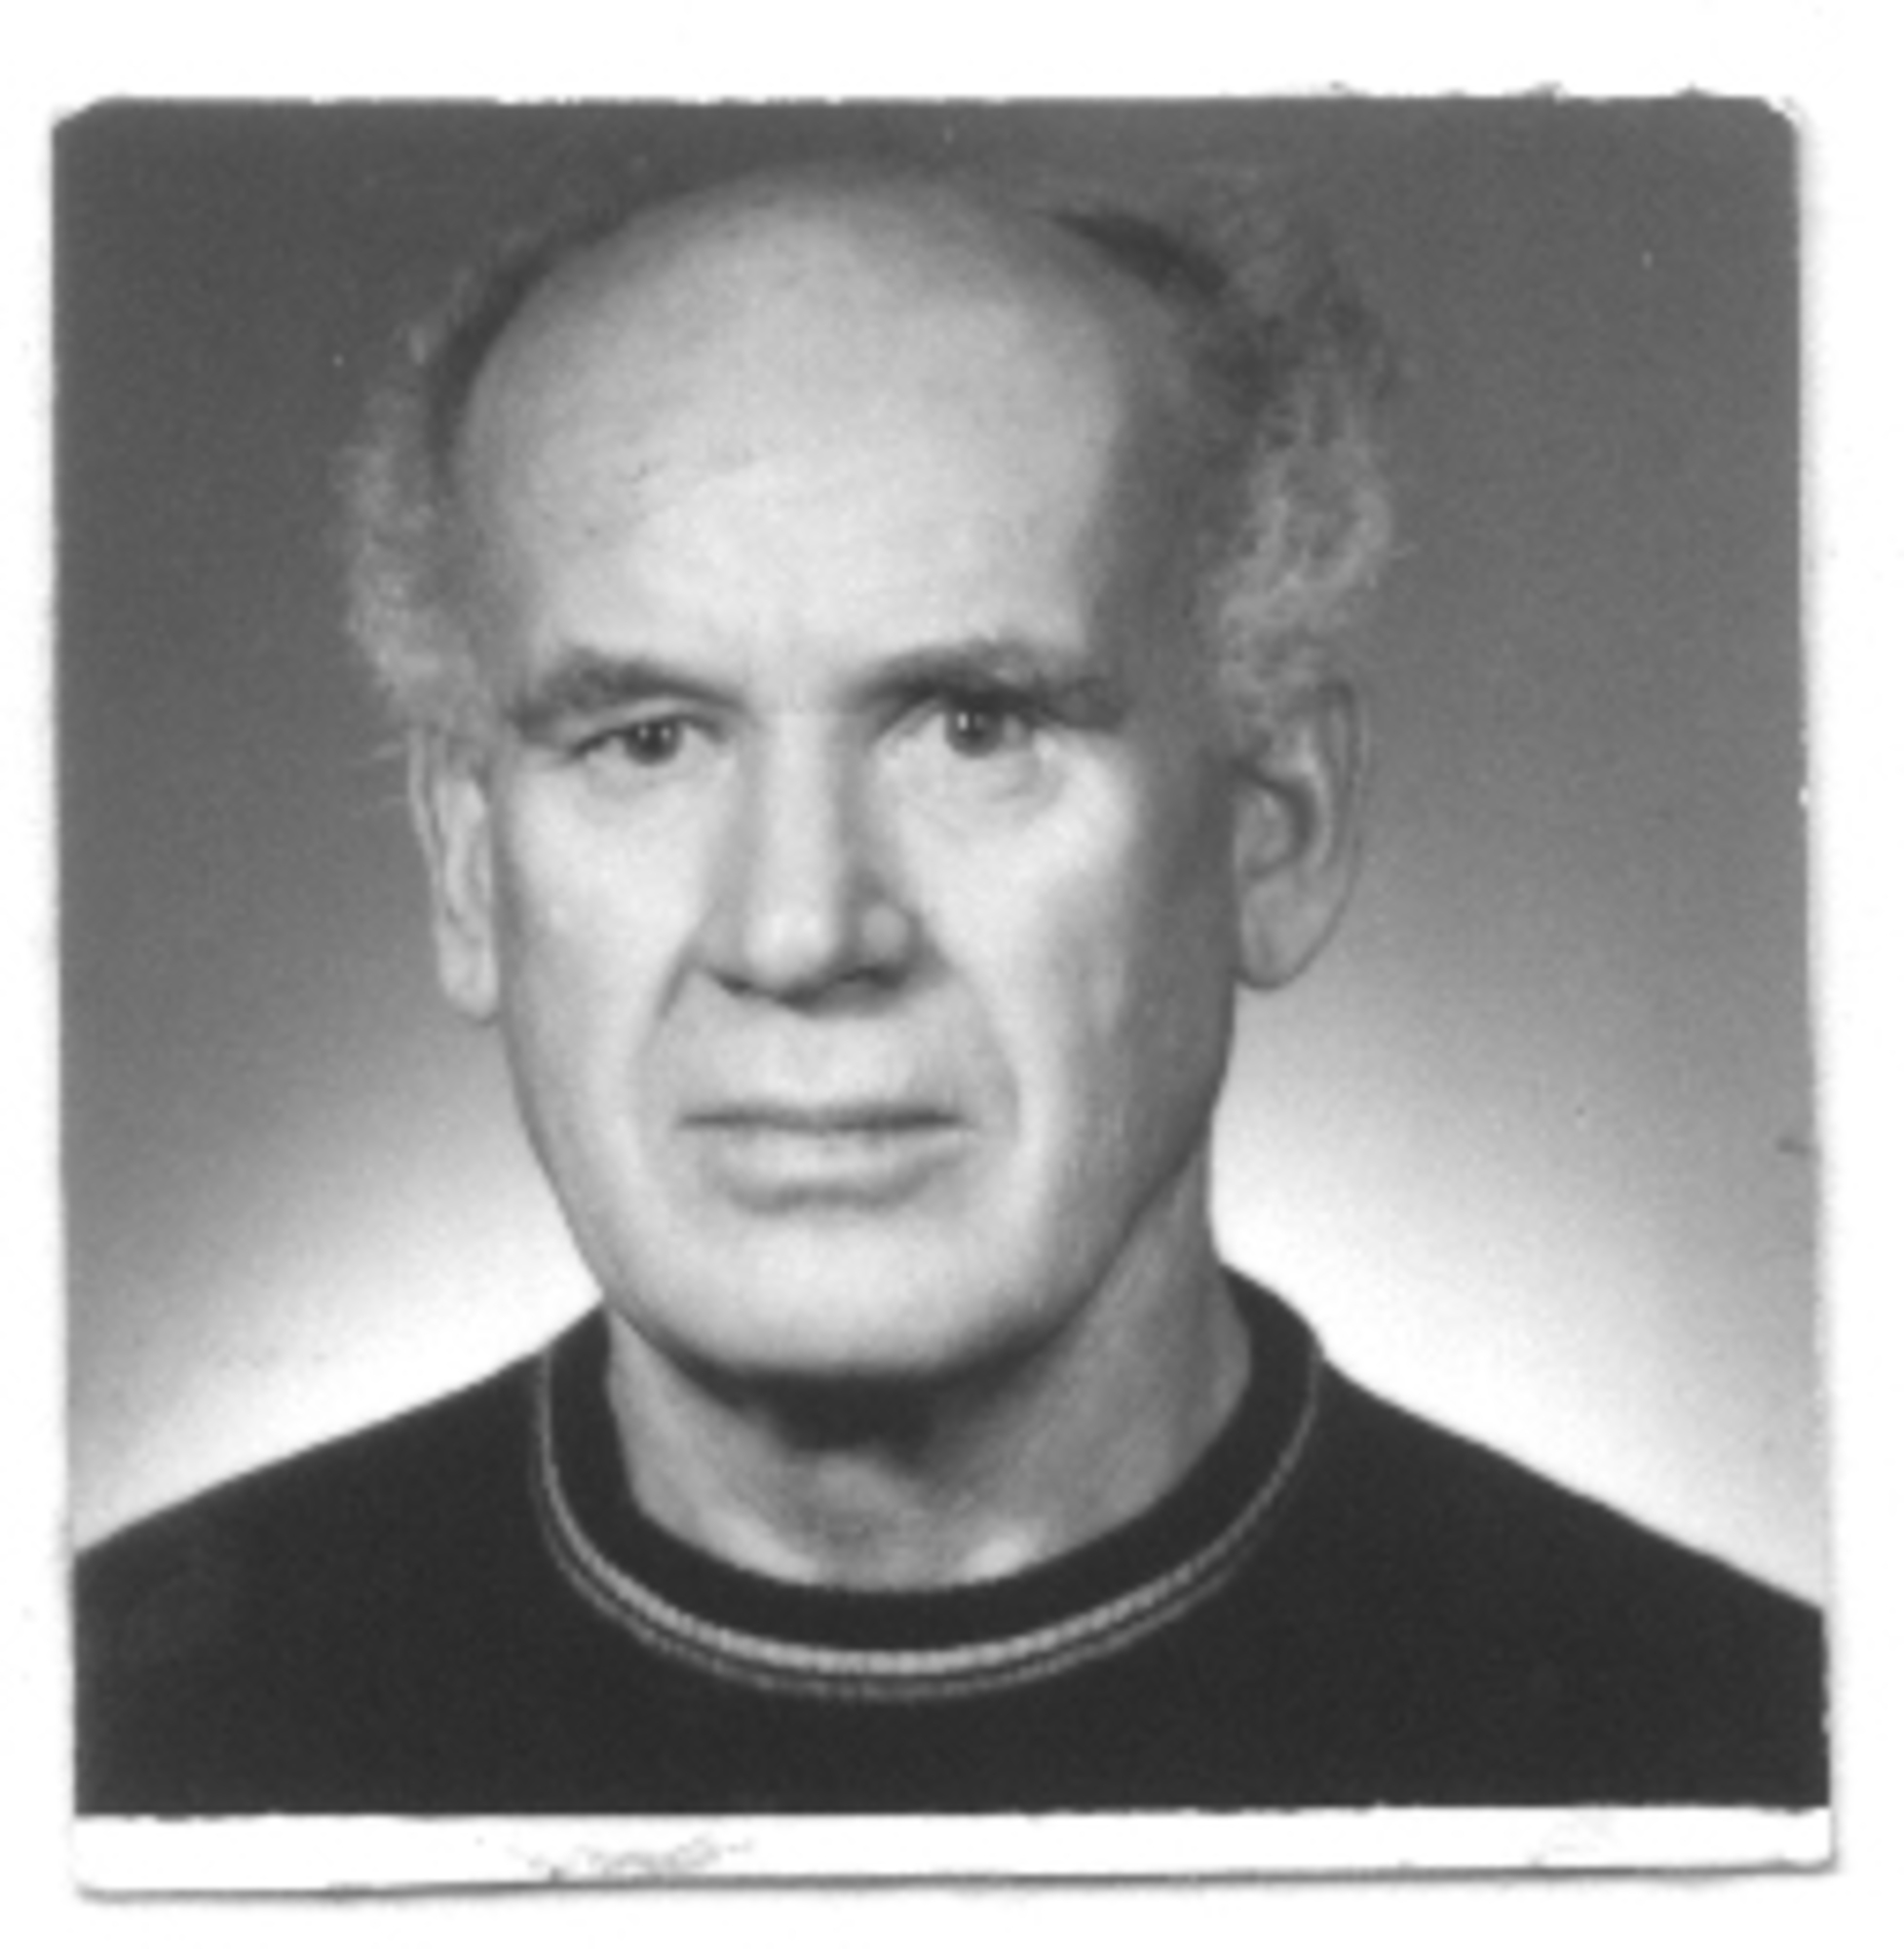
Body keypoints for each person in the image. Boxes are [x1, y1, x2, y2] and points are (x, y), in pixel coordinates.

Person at [75, 153, 1825, 1817]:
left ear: (1269, 831)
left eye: (974, 727)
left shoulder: (1753, 1755)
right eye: (646, 739)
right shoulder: (103, 1736)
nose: (797, 931)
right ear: (470, 869)